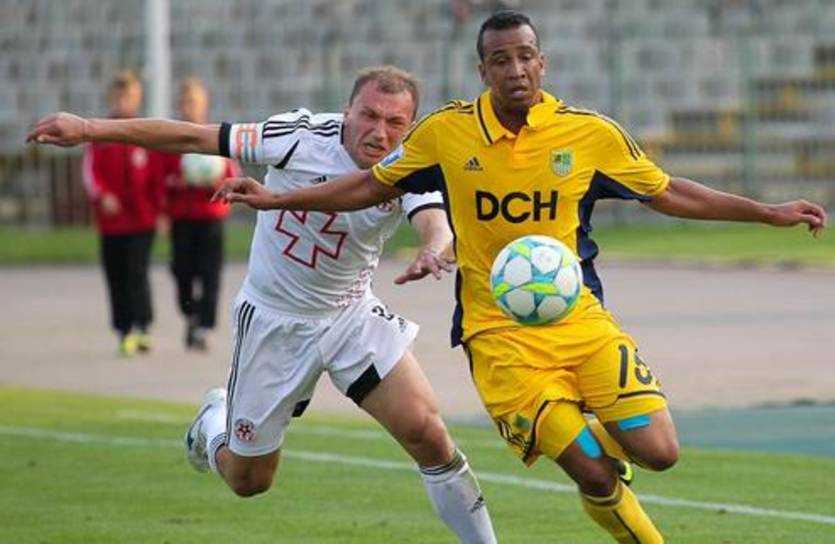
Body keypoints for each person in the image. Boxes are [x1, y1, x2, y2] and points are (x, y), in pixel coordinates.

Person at [198, 12, 825, 543]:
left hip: (581, 323)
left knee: (661, 452)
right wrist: (281, 200)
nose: (515, 69)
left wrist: (766, 211)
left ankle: (578, 424)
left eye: (525, 56)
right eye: (501, 60)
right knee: (593, 473)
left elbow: (667, 192)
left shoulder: (589, 134)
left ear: (542, 63)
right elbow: (369, 185)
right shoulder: (446, 134)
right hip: (500, 338)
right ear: (484, 71)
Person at [28, 66, 497, 543]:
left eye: (395, 122)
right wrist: (89, 128)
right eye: (369, 116)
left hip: (350, 315)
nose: (380, 132)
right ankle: (213, 423)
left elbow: (433, 219)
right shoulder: (297, 136)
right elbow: (193, 137)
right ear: (347, 111)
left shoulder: (413, 158)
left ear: (410, 125)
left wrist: (433, 249)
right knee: (249, 479)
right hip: (275, 321)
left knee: (427, 434)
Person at [81, 70, 167, 356]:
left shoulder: (146, 133)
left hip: (143, 218)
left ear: (137, 99)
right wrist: (102, 195)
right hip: (112, 222)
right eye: (119, 97)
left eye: (129, 97)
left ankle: (143, 325)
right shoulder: (99, 133)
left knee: (136, 271)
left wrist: (162, 210)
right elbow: (90, 172)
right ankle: (123, 329)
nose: (123, 102)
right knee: (116, 273)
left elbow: (157, 175)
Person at [163, 78, 240, 351]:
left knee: (210, 273)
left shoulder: (215, 136)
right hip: (182, 217)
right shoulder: (171, 138)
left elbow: (231, 174)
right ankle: (191, 314)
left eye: (193, 102)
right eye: (185, 102)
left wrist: (216, 183)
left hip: (210, 216)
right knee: (181, 270)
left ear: (204, 104)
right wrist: (178, 182)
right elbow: (161, 177)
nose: (189, 107)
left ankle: (204, 327)